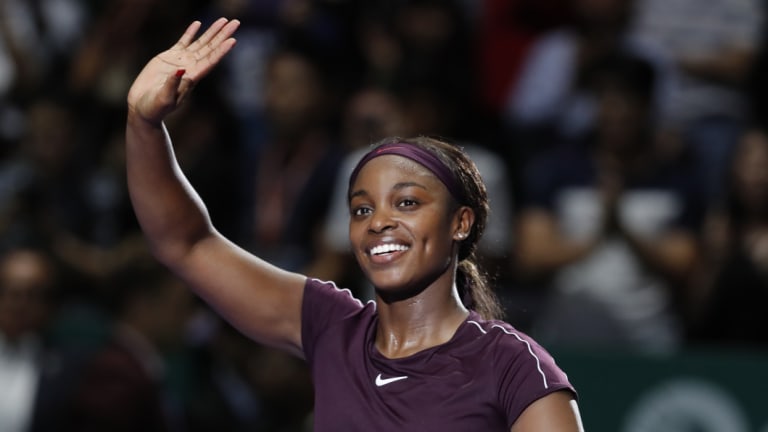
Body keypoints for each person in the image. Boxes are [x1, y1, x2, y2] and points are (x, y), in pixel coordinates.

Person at [125, 18, 582, 431]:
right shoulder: (331, 326)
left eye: (406, 203)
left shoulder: (513, 366)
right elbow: (185, 243)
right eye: (362, 209)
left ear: (461, 222)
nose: (379, 221)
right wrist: (144, 124)